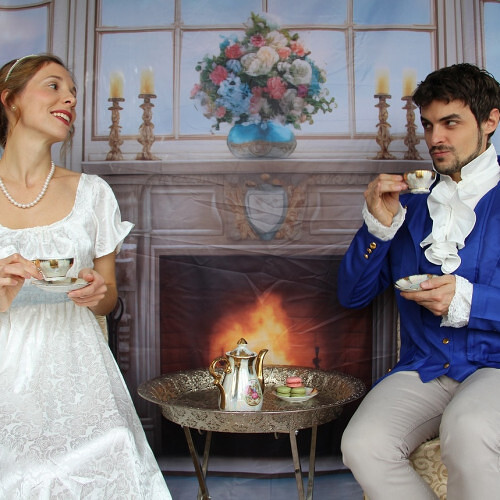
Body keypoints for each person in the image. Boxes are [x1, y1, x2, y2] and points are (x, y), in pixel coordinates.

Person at [0, 54, 171, 498]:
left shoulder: (93, 193)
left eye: (73, 91)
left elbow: (108, 296)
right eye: (53, 86)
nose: (70, 99)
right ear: (10, 100)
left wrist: (97, 292)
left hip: (79, 372)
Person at [338, 63, 500, 499]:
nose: (435, 138)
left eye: (451, 123)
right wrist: (378, 227)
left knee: (468, 429)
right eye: (428, 125)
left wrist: (469, 299)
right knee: (362, 445)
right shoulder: (409, 205)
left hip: (497, 366)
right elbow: (351, 296)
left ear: (490, 121)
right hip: (426, 366)